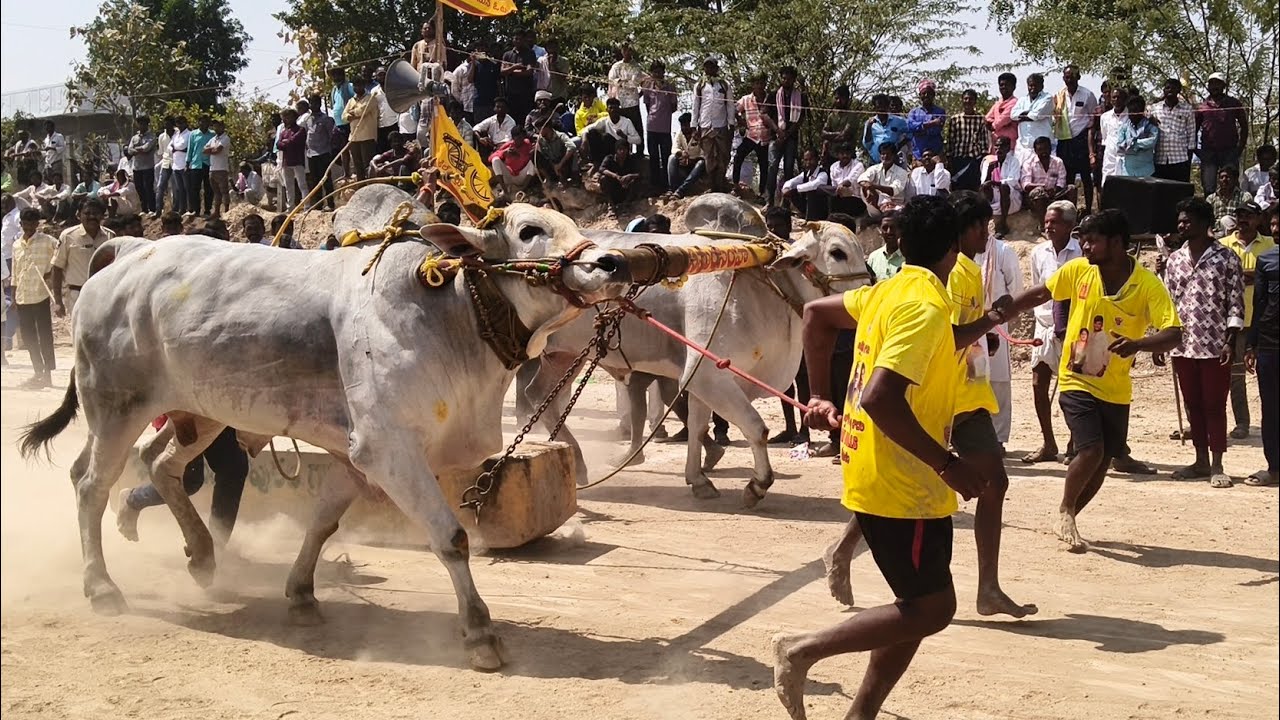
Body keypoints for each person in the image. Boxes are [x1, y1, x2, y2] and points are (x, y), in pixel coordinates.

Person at [773, 195, 992, 720]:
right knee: (934, 609)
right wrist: (948, 464)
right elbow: (879, 398)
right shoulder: (925, 306)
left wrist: (821, 394)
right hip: (903, 479)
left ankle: (861, 714)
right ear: (956, 246)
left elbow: (815, 315)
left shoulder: (888, 290)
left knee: (915, 608)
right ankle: (802, 649)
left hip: (877, 466)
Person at [1004, 209, 1182, 550]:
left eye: (1092, 240)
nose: (1084, 246)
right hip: (1076, 378)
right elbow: (1042, 293)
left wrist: (1140, 344)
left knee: (1102, 462)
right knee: (1091, 450)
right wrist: (1003, 311)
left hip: (1116, 387)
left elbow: (1173, 332)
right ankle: (1066, 510)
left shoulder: (1146, 284)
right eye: (1083, 239)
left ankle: (1068, 514)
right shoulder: (1078, 271)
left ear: (1116, 243)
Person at [1163, 197, 1245, 486]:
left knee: (1214, 404)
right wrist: (1160, 340)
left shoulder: (1226, 258)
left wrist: (1230, 340)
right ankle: (1199, 460)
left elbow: (1236, 303)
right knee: (1192, 403)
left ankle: (1217, 463)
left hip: (1215, 344)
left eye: (1187, 220)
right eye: (1180, 220)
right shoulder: (1174, 261)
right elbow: (1168, 302)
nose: (1181, 225)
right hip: (1182, 344)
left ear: (1204, 223)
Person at [116, 424, 251, 549]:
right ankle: (134, 499)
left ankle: (216, 546)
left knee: (234, 468)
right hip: (181, 413)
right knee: (188, 479)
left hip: (218, 415)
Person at [1021, 201, 1082, 464]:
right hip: (1043, 324)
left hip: (1073, 326)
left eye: (1054, 222)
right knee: (1038, 384)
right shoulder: (1039, 253)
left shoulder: (1081, 253)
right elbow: (1038, 289)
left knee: (1073, 388)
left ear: (1069, 226)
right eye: (1046, 221)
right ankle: (1048, 442)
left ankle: (1075, 442)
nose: (1048, 226)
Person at [1220, 201, 1275, 439]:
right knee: (1235, 374)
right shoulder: (1223, 245)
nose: (1243, 220)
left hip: (1264, 320)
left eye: (1249, 216)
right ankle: (1241, 422)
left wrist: (1244, 274)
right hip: (1233, 320)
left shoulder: (1271, 244)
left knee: (1266, 376)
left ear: (1259, 219)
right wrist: (1254, 274)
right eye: (1240, 215)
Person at [1243, 207, 1279, 485]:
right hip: (1270, 344)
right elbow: (1259, 304)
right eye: (1274, 224)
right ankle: (1274, 467)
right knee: (1271, 407)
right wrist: (1251, 345)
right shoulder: (1266, 260)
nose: (1276, 229)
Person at [10, 207, 58, 388]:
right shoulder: (16, 245)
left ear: (37, 224)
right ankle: (37, 371)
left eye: (32, 223)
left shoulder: (47, 241)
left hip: (41, 295)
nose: (28, 227)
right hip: (23, 297)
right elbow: (15, 272)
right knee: (29, 337)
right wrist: (14, 296)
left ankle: (48, 373)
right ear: (21, 224)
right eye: (25, 224)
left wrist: (51, 271)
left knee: (45, 335)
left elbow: (60, 253)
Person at [51, 198, 113, 321]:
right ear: (78, 215)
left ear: (102, 216)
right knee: (80, 337)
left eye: (96, 213)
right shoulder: (68, 236)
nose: (92, 217)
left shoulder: (110, 237)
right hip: (77, 295)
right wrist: (58, 301)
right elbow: (57, 268)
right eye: (87, 213)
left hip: (104, 295)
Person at [1196, 72, 1249, 196]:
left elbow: (1244, 126)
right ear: (1208, 86)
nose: (1214, 86)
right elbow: (1193, 128)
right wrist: (1196, 150)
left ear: (1224, 86)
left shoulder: (1234, 103)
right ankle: (1210, 213)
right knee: (1209, 187)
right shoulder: (1202, 106)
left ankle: (1234, 213)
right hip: (1208, 152)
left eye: (1218, 83)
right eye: (1212, 83)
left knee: (1232, 186)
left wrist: (1239, 148)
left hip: (1229, 151)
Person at [1052, 65, 1097, 209]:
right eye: (1067, 76)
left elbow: (1093, 119)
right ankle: (1070, 211)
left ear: (1078, 77)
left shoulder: (1087, 95)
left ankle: (1088, 210)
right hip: (1065, 141)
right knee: (1067, 178)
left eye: (1072, 76)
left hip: (1082, 140)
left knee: (1086, 178)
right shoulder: (1059, 96)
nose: (1069, 79)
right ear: (1063, 78)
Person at [691, 58, 734, 193]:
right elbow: (695, 105)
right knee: (708, 157)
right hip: (705, 125)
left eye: (712, 67)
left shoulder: (724, 85)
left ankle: (721, 184)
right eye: (706, 67)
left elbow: (730, 105)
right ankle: (712, 185)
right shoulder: (700, 85)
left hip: (720, 125)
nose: (709, 70)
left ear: (717, 68)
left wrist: (731, 124)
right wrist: (694, 125)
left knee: (723, 156)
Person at [766, 66, 807, 206]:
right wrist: (778, 130)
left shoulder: (800, 96)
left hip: (791, 137)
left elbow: (801, 117)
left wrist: (788, 133)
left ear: (794, 80)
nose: (786, 81)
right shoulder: (773, 95)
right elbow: (764, 114)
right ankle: (769, 200)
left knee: (789, 167)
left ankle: (786, 203)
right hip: (775, 137)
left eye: (789, 78)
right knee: (772, 166)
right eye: (784, 78)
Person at [734, 74, 776, 197]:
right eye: (756, 83)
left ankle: (762, 193)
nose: (759, 86)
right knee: (738, 156)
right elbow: (735, 109)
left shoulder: (770, 98)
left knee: (764, 165)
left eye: (761, 83)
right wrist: (740, 121)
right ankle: (736, 185)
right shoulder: (746, 99)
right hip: (751, 135)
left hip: (765, 137)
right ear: (753, 85)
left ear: (765, 84)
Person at [1021, 135, 1075, 223]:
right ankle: (1043, 225)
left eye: (1046, 148)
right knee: (1038, 192)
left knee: (1071, 188)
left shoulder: (1058, 162)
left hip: (1055, 194)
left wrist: (1055, 190)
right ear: (1035, 151)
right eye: (1040, 149)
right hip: (1036, 198)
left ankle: (1071, 221)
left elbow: (1061, 181)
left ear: (1050, 148)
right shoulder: (1028, 163)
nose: (1044, 152)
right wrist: (1044, 188)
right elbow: (1026, 185)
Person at [641, 61, 678, 192]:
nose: (657, 74)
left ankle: (667, 185)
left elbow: (674, 106)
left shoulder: (670, 86)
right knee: (653, 157)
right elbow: (647, 105)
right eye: (654, 71)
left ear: (663, 72)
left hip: (665, 127)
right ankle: (654, 186)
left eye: (659, 71)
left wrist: (664, 113)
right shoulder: (647, 86)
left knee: (666, 156)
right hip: (651, 126)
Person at [1151, 78, 1196, 183]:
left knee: (1179, 193)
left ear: (1178, 90)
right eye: (1167, 88)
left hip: (1180, 158)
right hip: (1159, 158)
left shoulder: (1187, 109)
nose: (1170, 90)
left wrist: (1188, 159)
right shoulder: (1155, 108)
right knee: (1161, 192)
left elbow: (1191, 134)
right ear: (1164, 90)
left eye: (1173, 88)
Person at [946, 88, 990, 193]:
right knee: (958, 189)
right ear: (962, 100)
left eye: (970, 99)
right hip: (958, 159)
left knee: (973, 189)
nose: (967, 101)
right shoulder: (955, 119)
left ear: (975, 101)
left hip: (974, 160)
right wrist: (949, 159)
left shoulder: (980, 119)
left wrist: (982, 161)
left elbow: (984, 141)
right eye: (965, 99)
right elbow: (950, 141)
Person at [580, 97, 642, 168]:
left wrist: (624, 136)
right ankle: (596, 163)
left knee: (606, 137)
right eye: (611, 108)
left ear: (619, 109)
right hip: (608, 149)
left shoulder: (627, 122)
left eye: (615, 108)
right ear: (607, 110)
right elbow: (587, 129)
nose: (613, 110)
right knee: (592, 132)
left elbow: (638, 140)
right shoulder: (605, 120)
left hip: (621, 150)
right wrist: (584, 140)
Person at [606, 42, 645, 154]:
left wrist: (621, 82)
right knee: (622, 129)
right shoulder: (616, 66)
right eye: (624, 50)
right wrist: (623, 82)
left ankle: (639, 153)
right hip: (620, 103)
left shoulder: (636, 67)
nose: (626, 52)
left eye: (628, 50)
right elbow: (611, 79)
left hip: (632, 103)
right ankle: (623, 152)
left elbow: (634, 83)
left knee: (637, 129)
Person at [301, 95, 337, 211]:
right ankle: (317, 204)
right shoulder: (307, 120)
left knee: (326, 179)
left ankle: (330, 204)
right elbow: (306, 135)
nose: (313, 105)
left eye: (315, 103)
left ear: (319, 104)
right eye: (311, 103)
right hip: (311, 154)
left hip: (323, 153)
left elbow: (332, 136)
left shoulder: (326, 119)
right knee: (314, 180)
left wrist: (331, 151)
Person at [981, 135, 1022, 234]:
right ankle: (984, 224)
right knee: (984, 188)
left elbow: (1013, 180)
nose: (998, 149)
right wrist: (990, 170)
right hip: (994, 197)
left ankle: (1003, 224)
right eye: (997, 146)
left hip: (1011, 198)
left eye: (1002, 146)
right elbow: (984, 183)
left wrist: (995, 183)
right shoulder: (990, 163)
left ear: (1008, 148)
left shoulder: (1014, 161)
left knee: (1004, 187)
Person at [501, 31, 539, 130]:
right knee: (512, 121)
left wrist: (511, 71)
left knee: (525, 121)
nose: (518, 41)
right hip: (511, 94)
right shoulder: (507, 54)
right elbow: (503, 71)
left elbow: (529, 72)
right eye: (516, 38)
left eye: (520, 39)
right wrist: (515, 67)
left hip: (525, 94)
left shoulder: (530, 53)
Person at [858, 143, 909, 216]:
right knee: (864, 188)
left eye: (888, 154)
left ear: (894, 156)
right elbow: (861, 179)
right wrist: (869, 188)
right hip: (877, 202)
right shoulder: (874, 168)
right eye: (883, 154)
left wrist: (873, 186)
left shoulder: (902, 172)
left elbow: (893, 191)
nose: (885, 156)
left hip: (895, 203)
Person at [1011, 73, 1054, 158]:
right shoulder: (1022, 100)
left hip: (1041, 147)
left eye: (1035, 85)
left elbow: (1037, 115)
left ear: (1041, 85)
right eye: (1030, 85)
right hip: (1023, 147)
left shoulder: (1047, 98)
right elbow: (1013, 115)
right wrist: (1030, 114)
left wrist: (1022, 116)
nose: (1032, 88)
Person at [342, 81, 379, 181]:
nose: (357, 87)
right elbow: (344, 116)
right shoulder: (351, 100)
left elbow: (362, 111)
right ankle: (361, 185)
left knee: (367, 163)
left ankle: (371, 185)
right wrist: (350, 115)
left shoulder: (371, 98)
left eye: (359, 85)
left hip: (367, 136)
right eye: (355, 85)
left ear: (363, 85)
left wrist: (351, 113)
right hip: (354, 137)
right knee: (357, 165)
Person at [1115, 95, 1158, 178]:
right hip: (1127, 172)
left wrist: (1134, 143)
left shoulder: (1150, 126)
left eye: (1134, 111)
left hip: (1146, 171)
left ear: (1141, 111)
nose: (1132, 115)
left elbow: (1152, 141)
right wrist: (1126, 144)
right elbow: (1119, 144)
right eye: (1130, 111)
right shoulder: (1124, 127)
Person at [1096, 85, 1130, 192]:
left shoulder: (1131, 115)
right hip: (1110, 155)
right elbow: (1105, 136)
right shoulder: (1105, 117)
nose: (1116, 100)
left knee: (1126, 185)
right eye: (1114, 97)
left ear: (1125, 99)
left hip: (1127, 155)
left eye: (1119, 97)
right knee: (1107, 184)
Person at [780, 149, 829, 221]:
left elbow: (814, 184)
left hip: (821, 208)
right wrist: (786, 188)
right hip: (805, 206)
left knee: (811, 191)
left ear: (817, 159)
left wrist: (796, 189)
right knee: (788, 192)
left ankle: (810, 219)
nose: (808, 163)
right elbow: (791, 181)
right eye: (806, 160)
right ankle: (783, 216)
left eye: (811, 159)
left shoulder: (823, 173)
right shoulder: (805, 174)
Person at [275, 108, 309, 210]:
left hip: (297, 160)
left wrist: (286, 142)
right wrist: (286, 142)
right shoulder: (283, 132)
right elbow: (278, 145)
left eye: (287, 117)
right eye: (284, 118)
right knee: (288, 186)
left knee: (302, 184)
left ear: (294, 117)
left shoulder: (301, 130)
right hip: (286, 162)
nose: (285, 120)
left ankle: (307, 206)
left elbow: (293, 142)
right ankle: (290, 207)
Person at [668, 112, 707, 198]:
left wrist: (691, 160)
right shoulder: (680, 134)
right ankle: (672, 189)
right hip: (684, 164)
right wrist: (681, 154)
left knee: (701, 163)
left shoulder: (699, 134)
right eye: (682, 125)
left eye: (686, 125)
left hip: (696, 166)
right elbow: (674, 149)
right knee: (671, 158)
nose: (684, 128)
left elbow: (704, 154)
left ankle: (681, 190)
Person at [125, 116, 158, 216]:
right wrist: (139, 150)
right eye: (140, 124)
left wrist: (136, 149)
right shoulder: (134, 137)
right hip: (137, 167)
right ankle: (144, 210)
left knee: (148, 188)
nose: (142, 126)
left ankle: (152, 209)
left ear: (147, 125)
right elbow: (129, 150)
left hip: (148, 167)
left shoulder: (151, 136)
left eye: (144, 124)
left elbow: (146, 148)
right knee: (139, 188)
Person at [906, 78, 946, 161]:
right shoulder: (913, 112)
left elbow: (935, 130)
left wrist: (920, 128)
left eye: (929, 93)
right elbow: (910, 127)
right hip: (918, 154)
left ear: (934, 95)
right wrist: (932, 123)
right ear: (920, 95)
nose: (926, 95)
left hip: (936, 153)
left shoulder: (940, 111)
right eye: (924, 93)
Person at [863, 94, 909, 164]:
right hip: (875, 162)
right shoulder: (869, 123)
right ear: (874, 108)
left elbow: (910, 133)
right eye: (878, 107)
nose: (881, 109)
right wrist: (869, 127)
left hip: (893, 161)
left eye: (883, 106)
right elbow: (867, 144)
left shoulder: (899, 121)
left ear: (888, 106)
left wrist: (899, 145)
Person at [489, 126, 538, 193]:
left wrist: (519, 155)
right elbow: (490, 158)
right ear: (513, 138)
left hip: (521, 177)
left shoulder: (527, 144)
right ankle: (504, 189)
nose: (520, 140)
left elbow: (528, 158)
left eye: (522, 138)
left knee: (532, 162)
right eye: (518, 138)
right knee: (495, 160)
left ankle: (523, 188)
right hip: (509, 175)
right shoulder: (509, 145)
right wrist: (504, 153)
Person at [598, 142, 640, 214]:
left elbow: (639, 173)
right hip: (614, 186)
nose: (622, 152)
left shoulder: (631, 159)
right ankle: (611, 205)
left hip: (626, 187)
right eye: (620, 149)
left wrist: (629, 176)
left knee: (635, 181)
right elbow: (602, 169)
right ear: (616, 150)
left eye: (624, 149)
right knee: (603, 179)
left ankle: (626, 204)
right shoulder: (609, 159)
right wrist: (615, 176)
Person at [820, 84, 857, 165]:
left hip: (847, 156)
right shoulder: (831, 115)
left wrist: (830, 136)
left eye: (841, 98)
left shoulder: (852, 115)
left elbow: (844, 135)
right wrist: (837, 134)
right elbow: (823, 134)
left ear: (847, 99)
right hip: (831, 155)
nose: (838, 101)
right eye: (836, 98)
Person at [186, 115, 215, 217]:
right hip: (195, 164)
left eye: (206, 122)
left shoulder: (212, 134)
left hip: (208, 164)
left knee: (208, 188)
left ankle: (207, 210)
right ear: (199, 122)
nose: (204, 124)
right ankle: (196, 210)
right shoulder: (193, 134)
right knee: (195, 189)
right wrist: (187, 163)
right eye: (202, 122)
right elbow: (190, 149)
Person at [827, 143, 866, 218]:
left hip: (855, 199)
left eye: (847, 153)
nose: (845, 155)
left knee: (840, 189)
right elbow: (834, 187)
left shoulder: (858, 165)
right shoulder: (833, 167)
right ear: (837, 154)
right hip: (838, 197)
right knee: (821, 190)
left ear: (851, 154)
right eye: (842, 153)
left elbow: (849, 181)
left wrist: (840, 186)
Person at [534, 121, 577, 185]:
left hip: (563, 162)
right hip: (552, 164)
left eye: (540, 129)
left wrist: (560, 164)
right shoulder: (541, 140)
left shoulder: (561, 136)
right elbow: (545, 156)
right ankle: (548, 179)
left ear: (547, 128)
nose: (538, 132)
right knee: (535, 155)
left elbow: (572, 147)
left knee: (571, 153)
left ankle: (572, 178)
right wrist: (554, 165)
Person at [986, 72, 1019, 151]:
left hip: (1010, 146)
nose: (1004, 87)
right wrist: (991, 124)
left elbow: (1003, 119)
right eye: (1001, 85)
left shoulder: (1015, 103)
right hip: (996, 146)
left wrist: (993, 126)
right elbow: (987, 118)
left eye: (1007, 85)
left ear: (1013, 87)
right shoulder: (997, 103)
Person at [204, 119, 232, 216]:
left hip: (222, 168)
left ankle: (227, 211)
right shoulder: (213, 139)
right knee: (216, 192)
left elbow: (217, 150)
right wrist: (213, 149)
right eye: (214, 126)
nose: (216, 128)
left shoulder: (225, 138)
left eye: (218, 126)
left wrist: (211, 150)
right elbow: (204, 149)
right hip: (212, 168)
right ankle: (216, 212)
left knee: (224, 191)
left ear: (222, 127)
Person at [866, 211, 903, 281]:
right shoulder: (873, 258)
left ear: (901, 229)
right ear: (880, 230)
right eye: (885, 228)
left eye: (893, 227)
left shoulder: (908, 258)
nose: (889, 232)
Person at [537, 39, 571, 105]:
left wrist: (553, 65)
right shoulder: (541, 60)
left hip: (558, 96)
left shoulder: (564, 61)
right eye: (550, 48)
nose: (552, 51)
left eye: (554, 48)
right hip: (544, 97)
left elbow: (562, 79)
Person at [169, 116, 191, 215]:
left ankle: (189, 208)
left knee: (187, 187)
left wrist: (176, 148)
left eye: (181, 123)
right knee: (179, 189)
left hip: (185, 164)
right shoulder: (175, 135)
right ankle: (181, 209)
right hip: (175, 164)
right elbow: (170, 147)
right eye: (178, 123)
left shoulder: (189, 134)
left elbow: (184, 146)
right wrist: (177, 148)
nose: (180, 125)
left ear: (186, 123)